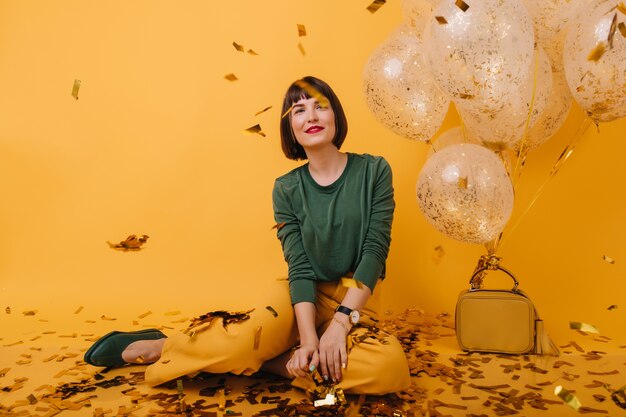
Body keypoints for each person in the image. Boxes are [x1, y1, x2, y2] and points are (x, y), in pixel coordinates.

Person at [83, 76, 411, 394]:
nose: (310, 116)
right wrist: (310, 340)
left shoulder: (374, 171)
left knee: (388, 368)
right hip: (302, 296)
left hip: (356, 302)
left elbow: (374, 250)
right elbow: (300, 268)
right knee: (245, 339)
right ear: (291, 130)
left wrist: (340, 325)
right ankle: (165, 343)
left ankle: (271, 363)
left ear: (336, 116)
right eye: (298, 110)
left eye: (320, 106)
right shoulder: (286, 188)